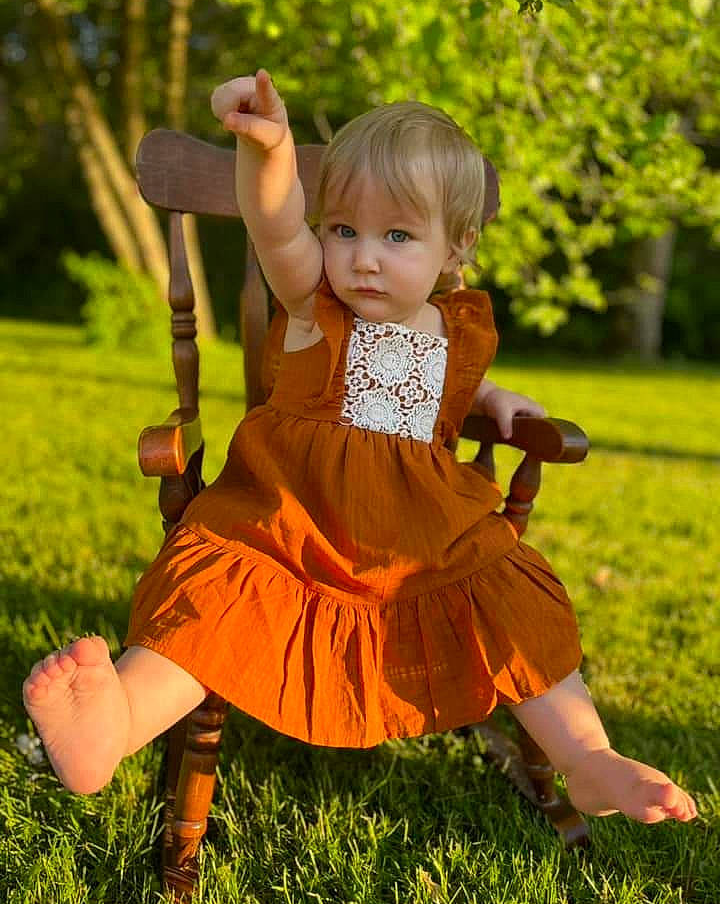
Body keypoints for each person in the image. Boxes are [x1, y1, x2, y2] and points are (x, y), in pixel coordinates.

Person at [23, 70, 696, 826]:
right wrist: (268, 147)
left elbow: (450, 388)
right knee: (217, 604)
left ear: (457, 247)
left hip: (421, 537)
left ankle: (588, 758)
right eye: (343, 230)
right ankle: (114, 724)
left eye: (397, 235)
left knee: (509, 598)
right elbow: (276, 224)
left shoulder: (459, 328)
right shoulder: (316, 302)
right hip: (287, 527)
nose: (363, 257)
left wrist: (491, 401)